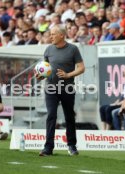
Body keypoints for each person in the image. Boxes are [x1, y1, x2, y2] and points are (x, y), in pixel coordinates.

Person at [36, 26, 85, 156]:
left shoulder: (73, 49)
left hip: (67, 88)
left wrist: (68, 75)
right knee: (51, 115)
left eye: (53, 34)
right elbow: (45, 69)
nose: (50, 37)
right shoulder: (48, 49)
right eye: (50, 34)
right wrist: (41, 76)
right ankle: (48, 148)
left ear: (62, 35)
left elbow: (81, 68)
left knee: (69, 117)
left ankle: (72, 146)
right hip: (50, 87)